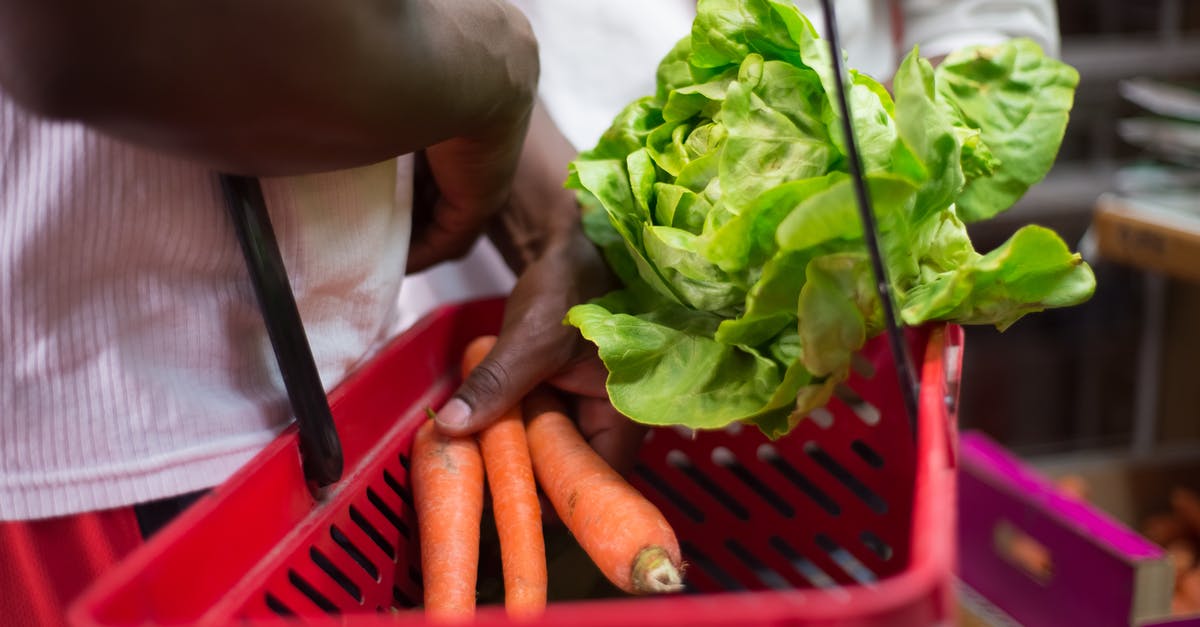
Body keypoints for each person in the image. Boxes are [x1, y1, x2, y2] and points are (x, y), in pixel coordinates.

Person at [0, 2, 628, 624]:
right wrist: (498, 70)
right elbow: (103, 31)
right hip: (107, 472)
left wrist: (548, 211)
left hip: (332, 411)